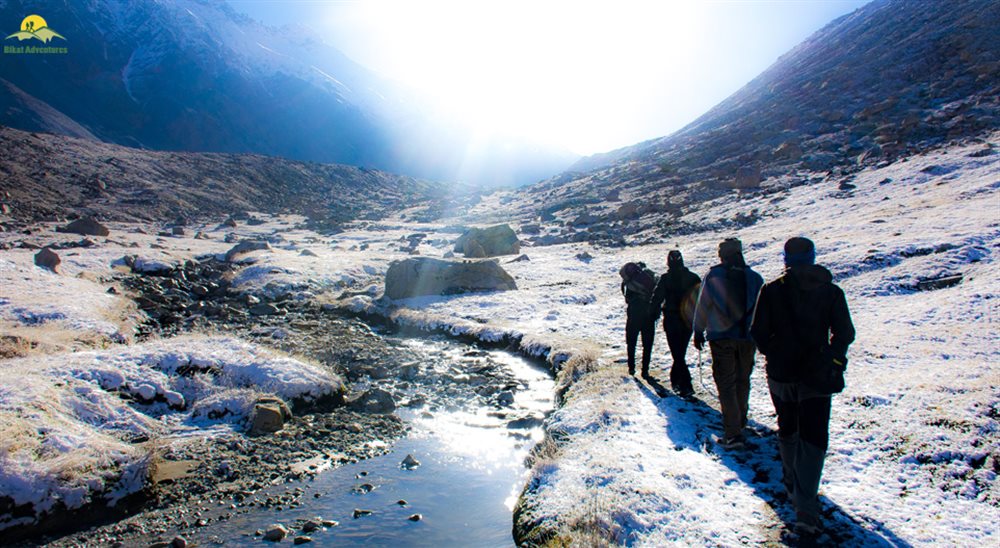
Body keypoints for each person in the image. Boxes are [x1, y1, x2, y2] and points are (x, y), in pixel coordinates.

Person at [750, 237, 855, 535]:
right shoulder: (831, 291)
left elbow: (758, 331)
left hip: (781, 374)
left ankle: (793, 487)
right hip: (817, 376)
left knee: (788, 429)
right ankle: (806, 507)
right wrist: (833, 358)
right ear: (812, 257)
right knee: (814, 437)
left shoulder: (771, 290)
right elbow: (845, 332)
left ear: (786, 259)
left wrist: (774, 351)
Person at [692, 237, 764, 449]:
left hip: (721, 338)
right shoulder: (755, 278)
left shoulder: (714, 275)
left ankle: (732, 433)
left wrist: (698, 330)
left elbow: (703, 304)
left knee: (726, 383)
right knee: (743, 380)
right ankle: (740, 422)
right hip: (748, 338)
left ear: (721, 255)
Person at [649, 250, 701, 397]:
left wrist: (652, 313)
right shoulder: (693, 277)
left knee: (676, 352)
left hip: (671, 319)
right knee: (680, 351)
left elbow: (657, 297)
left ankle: (684, 384)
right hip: (688, 320)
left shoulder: (665, 279)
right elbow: (701, 300)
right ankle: (679, 382)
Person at [621, 261, 659, 377]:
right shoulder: (650, 278)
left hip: (634, 315)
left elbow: (627, 298)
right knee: (647, 344)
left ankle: (631, 368)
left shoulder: (629, 282)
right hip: (648, 315)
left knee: (631, 342)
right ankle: (645, 370)